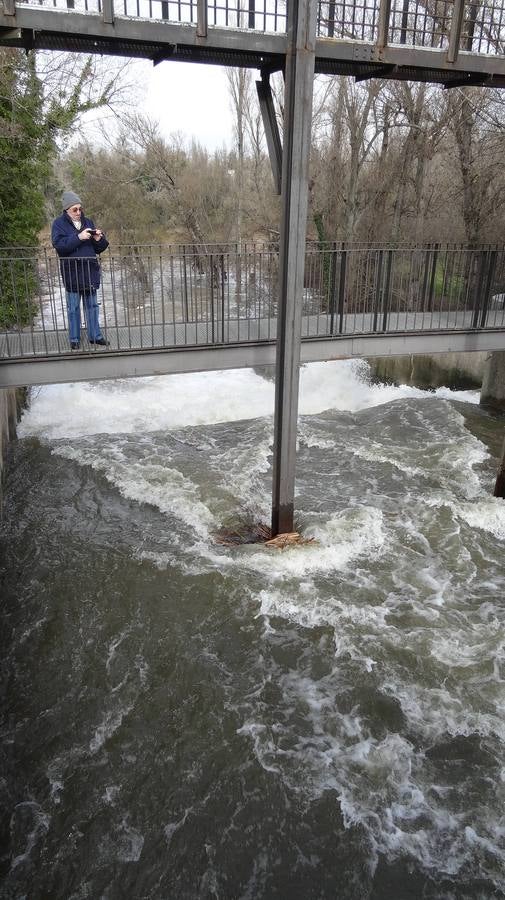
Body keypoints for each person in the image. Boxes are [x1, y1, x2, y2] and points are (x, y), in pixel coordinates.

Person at [51, 191, 110, 350]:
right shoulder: (58, 224)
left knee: (92, 306)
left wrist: (99, 239)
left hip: (89, 271)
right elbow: (60, 247)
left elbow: (100, 248)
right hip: (72, 272)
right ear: (66, 210)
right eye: (74, 210)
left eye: (80, 209)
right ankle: (75, 339)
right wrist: (79, 237)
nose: (78, 212)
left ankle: (95, 337)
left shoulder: (88, 221)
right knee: (73, 308)